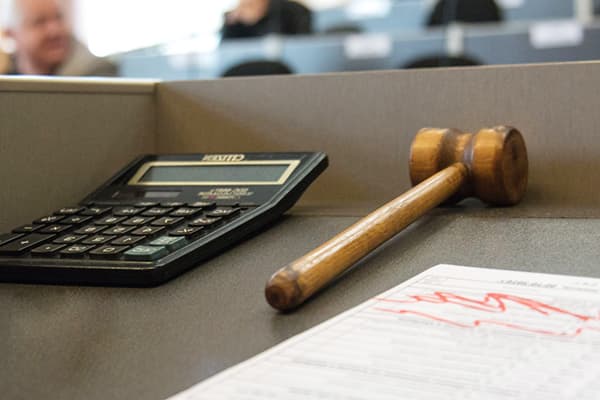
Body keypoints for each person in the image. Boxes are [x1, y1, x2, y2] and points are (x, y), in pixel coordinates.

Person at [0, 0, 116, 76]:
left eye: (58, 17)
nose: (54, 30)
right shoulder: (6, 76)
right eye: (39, 22)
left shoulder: (97, 76)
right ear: (10, 34)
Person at [222, 0, 312, 40]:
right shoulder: (234, 19)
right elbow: (226, 53)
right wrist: (232, 24)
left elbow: (305, 47)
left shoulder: (295, 11)